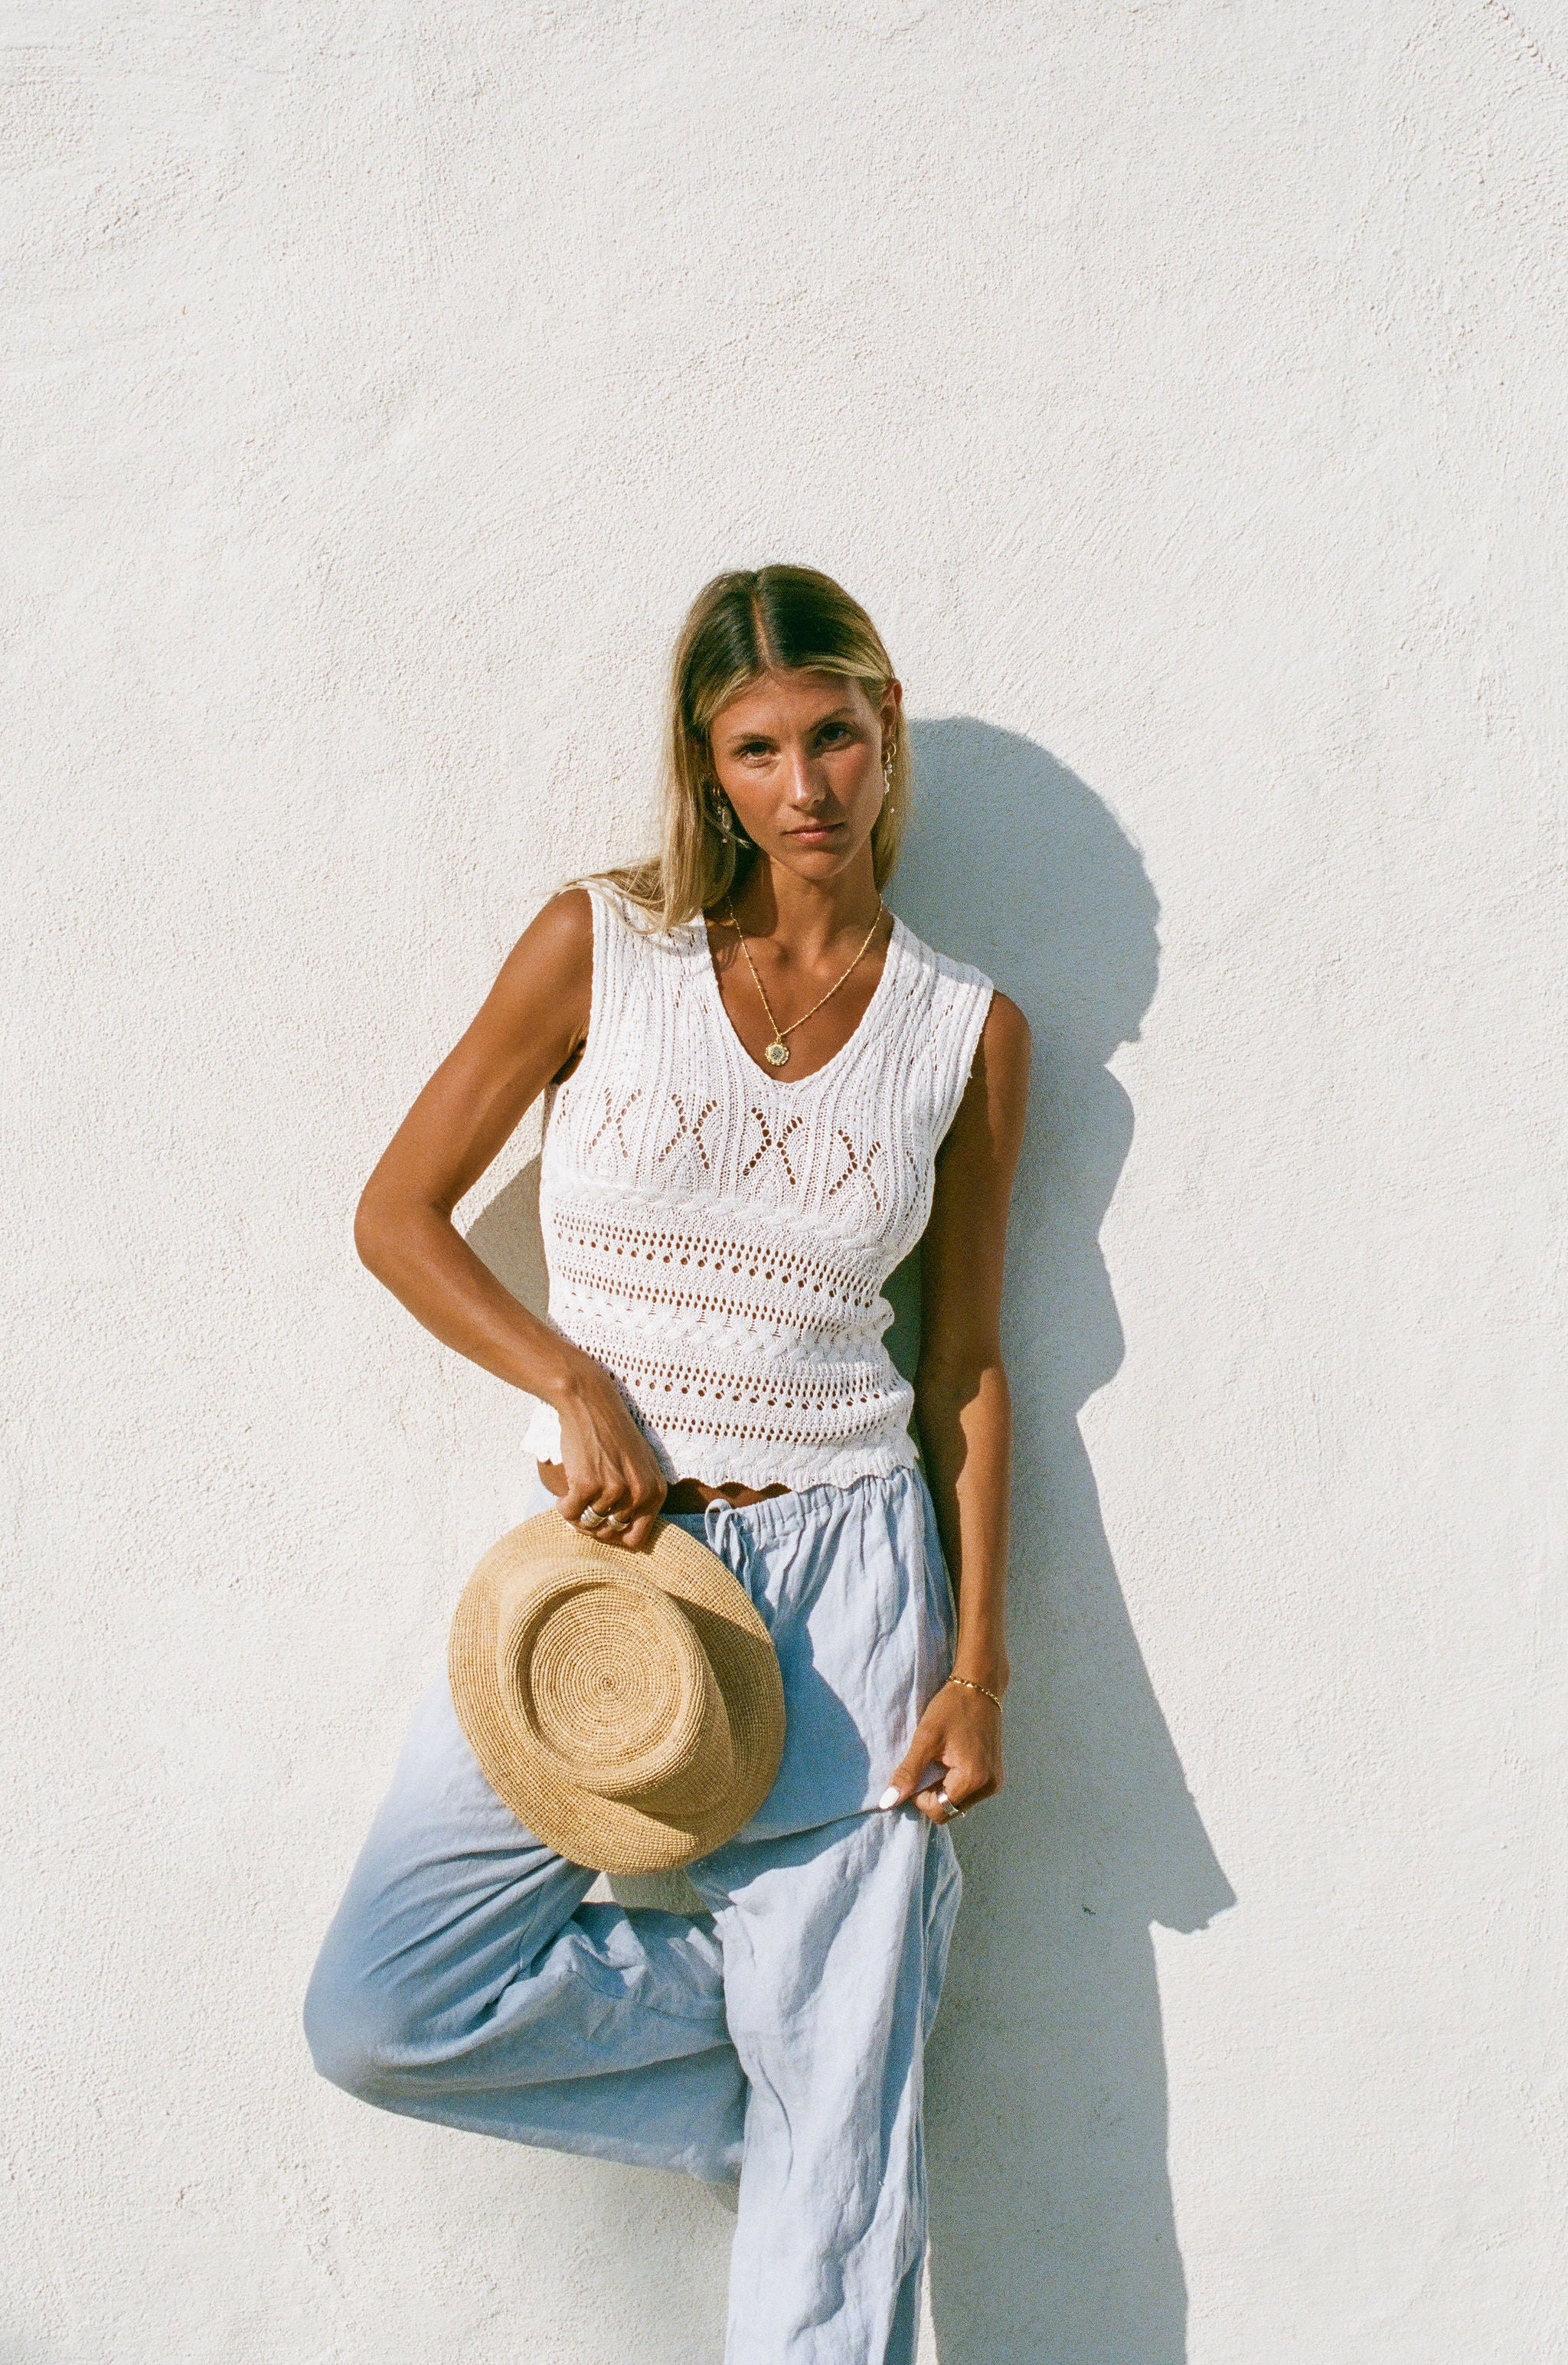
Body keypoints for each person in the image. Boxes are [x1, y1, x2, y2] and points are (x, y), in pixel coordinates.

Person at [302, 564, 1031, 2364]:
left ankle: (831, 2086)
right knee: (383, 2006)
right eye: (757, 750)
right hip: (606, 1587)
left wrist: (975, 1666)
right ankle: (797, 2078)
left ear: (885, 735)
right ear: (708, 769)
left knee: (835, 2243)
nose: (805, 786)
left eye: (834, 736)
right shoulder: (600, 949)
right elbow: (398, 1215)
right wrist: (566, 1377)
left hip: (851, 1590)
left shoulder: (965, 1031)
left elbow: (962, 1368)